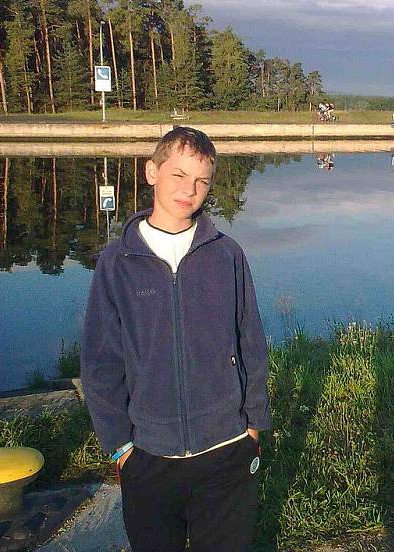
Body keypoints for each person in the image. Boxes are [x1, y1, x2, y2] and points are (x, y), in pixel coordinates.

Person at [81, 127, 271, 552]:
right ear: (152, 172)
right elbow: (100, 364)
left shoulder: (227, 254)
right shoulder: (117, 262)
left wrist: (254, 427)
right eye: (179, 175)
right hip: (149, 456)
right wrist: (120, 448)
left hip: (227, 449)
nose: (190, 190)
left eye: (202, 180)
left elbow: (251, 343)